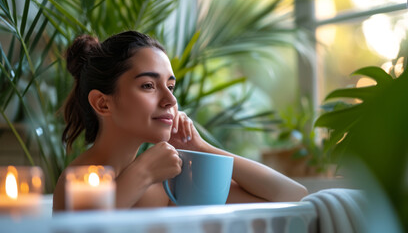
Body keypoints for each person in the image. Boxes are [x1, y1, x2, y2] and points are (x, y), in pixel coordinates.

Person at [52, 31, 308, 211]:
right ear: (103, 103)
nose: (170, 100)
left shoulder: (166, 182)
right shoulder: (78, 179)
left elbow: (292, 196)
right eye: (149, 85)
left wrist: (200, 147)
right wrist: (141, 173)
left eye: (171, 86)